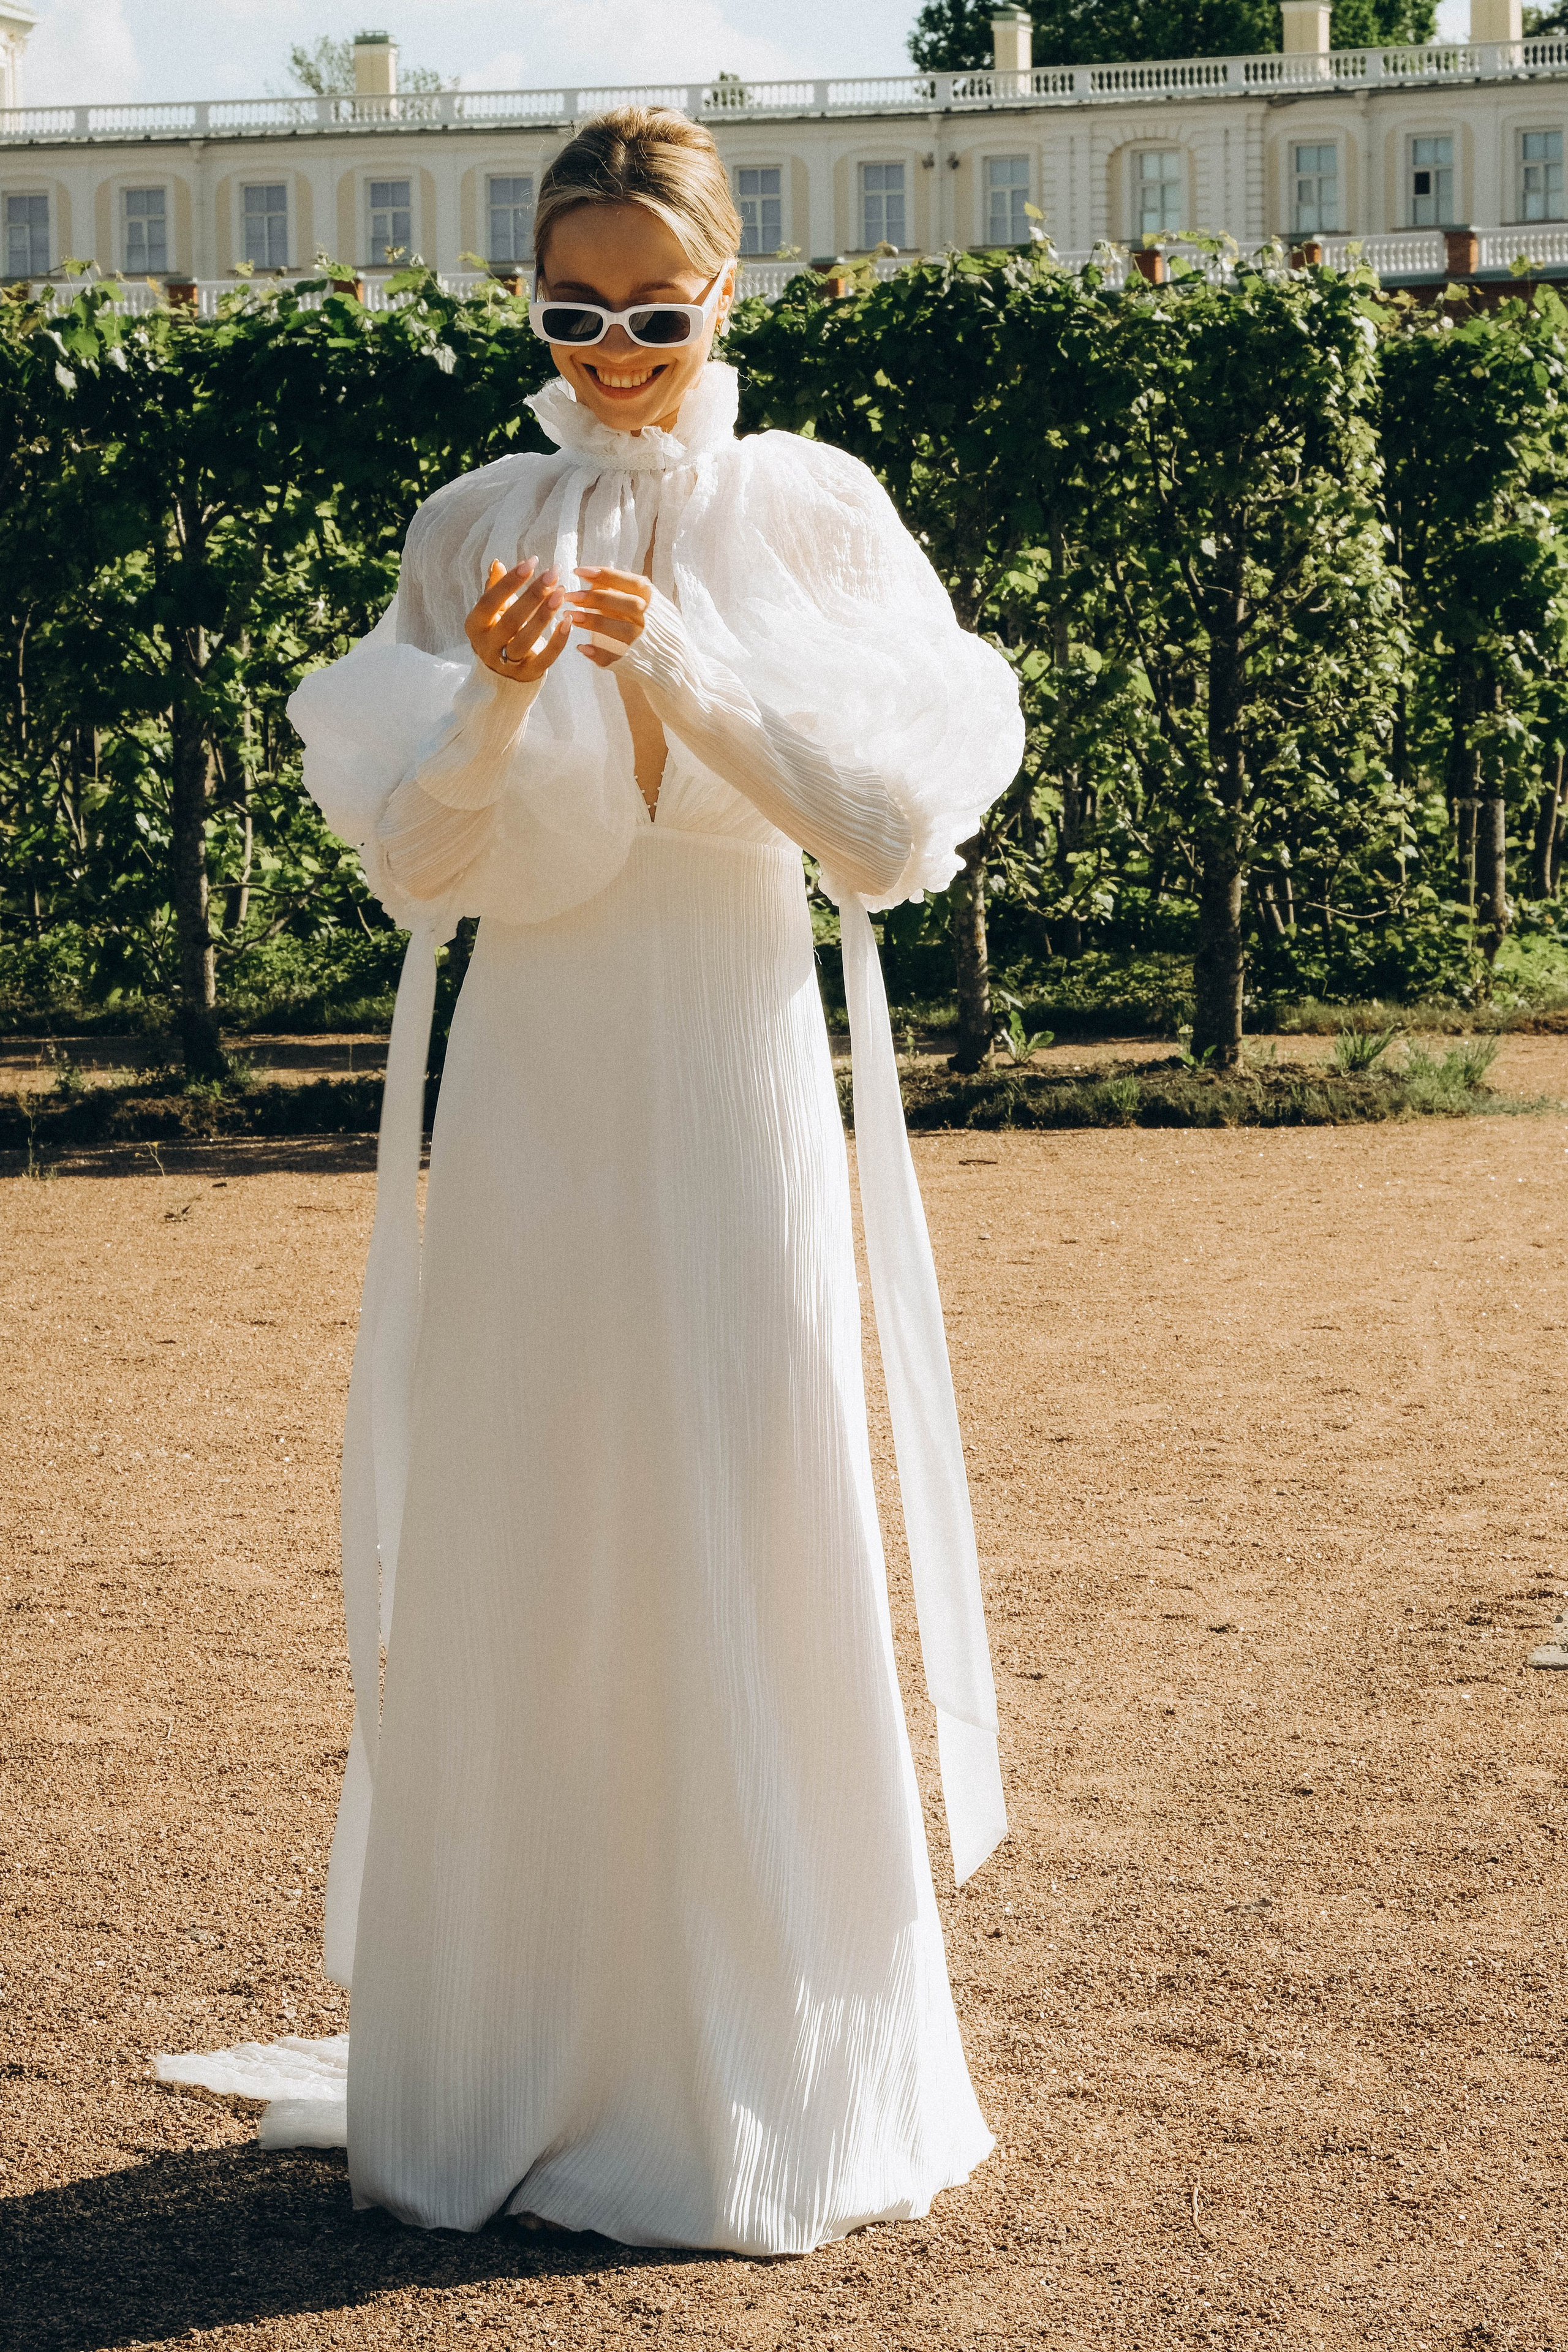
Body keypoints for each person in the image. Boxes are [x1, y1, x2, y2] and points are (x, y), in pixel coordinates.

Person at [157, 106, 1023, 2256]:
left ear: (727, 290)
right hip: (535, 1078)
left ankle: (755, 2076)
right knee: (532, 1521)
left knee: (751, 1496)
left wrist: (681, 663)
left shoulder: (818, 508)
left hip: (732, 1068)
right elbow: (424, 870)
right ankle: (517, 2054)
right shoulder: (471, 523)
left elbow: (890, 833)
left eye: (656, 308)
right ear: (531, 304)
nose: (618, 349)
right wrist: (496, 698)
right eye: (576, 310)